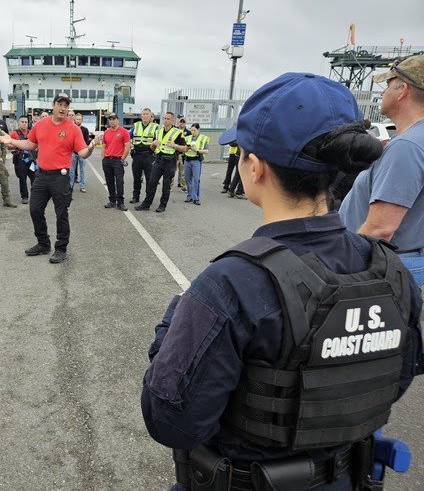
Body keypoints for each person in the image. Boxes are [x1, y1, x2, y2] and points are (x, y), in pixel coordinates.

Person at [141, 73, 423, 491]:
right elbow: (395, 380)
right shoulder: (390, 270)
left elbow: (172, 421)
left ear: (255, 167)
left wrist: (174, 323)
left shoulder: (232, 283)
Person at [340, 55, 424, 287]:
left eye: (387, 85)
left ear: (402, 90)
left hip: (383, 264)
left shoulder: (407, 146)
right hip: (404, 259)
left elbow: (381, 228)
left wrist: (341, 266)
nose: (381, 92)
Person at [0, 93, 98, 264]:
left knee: (61, 214)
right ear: (53, 105)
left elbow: (82, 153)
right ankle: (43, 243)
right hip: (42, 176)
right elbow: (30, 144)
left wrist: (89, 148)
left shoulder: (73, 129)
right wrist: (13, 142)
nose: (63, 108)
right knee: (35, 210)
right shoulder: (41, 124)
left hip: (61, 177)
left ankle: (61, 249)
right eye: (60, 104)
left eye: (66, 105)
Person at [135, 112, 187, 213]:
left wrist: (175, 145)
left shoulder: (178, 132)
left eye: (168, 119)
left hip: (170, 161)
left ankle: (162, 205)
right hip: (158, 160)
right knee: (151, 183)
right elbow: (152, 148)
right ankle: (146, 204)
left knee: (166, 185)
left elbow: (184, 148)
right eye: (165, 118)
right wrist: (153, 144)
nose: (166, 121)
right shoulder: (158, 131)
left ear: (172, 121)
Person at [129, 108, 160, 204]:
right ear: (141, 116)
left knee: (149, 178)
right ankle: (135, 196)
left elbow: (159, 141)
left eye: (147, 114)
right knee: (136, 177)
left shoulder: (156, 127)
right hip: (137, 155)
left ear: (151, 116)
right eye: (143, 114)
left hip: (149, 155)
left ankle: (148, 198)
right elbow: (128, 137)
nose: (145, 116)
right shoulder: (136, 125)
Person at [101, 113, 131, 211]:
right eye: (110, 119)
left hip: (117, 160)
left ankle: (120, 202)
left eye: (114, 119)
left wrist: (122, 158)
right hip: (107, 160)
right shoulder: (106, 132)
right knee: (109, 182)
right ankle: (112, 201)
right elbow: (104, 146)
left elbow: (127, 146)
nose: (112, 121)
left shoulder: (123, 132)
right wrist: (103, 158)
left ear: (117, 120)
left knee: (119, 182)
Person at [10, 115, 36, 204]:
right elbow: (8, 145)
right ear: (19, 122)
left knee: (34, 178)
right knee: (22, 179)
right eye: (22, 122)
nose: (24, 124)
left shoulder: (31, 132)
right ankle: (24, 196)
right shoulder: (14, 134)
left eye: (26, 122)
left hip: (31, 159)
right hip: (20, 160)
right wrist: (19, 145)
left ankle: (35, 196)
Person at [183, 123, 209, 205]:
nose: (193, 132)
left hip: (196, 160)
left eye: (194, 130)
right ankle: (189, 195)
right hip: (187, 160)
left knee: (196, 179)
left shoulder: (203, 138)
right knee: (187, 179)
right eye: (191, 130)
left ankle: (196, 198)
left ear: (198, 130)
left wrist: (196, 150)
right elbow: (183, 149)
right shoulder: (187, 138)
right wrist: (186, 148)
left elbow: (206, 151)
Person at [70, 113, 91, 193]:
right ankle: (71, 185)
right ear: (74, 120)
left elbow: (86, 142)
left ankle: (82, 186)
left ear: (82, 120)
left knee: (82, 170)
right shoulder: (71, 129)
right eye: (77, 119)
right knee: (72, 170)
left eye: (80, 119)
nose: (78, 120)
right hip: (73, 153)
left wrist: (82, 151)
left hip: (82, 153)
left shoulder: (85, 130)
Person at [175, 117, 191, 191]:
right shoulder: (175, 130)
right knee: (172, 171)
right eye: (180, 121)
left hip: (183, 154)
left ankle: (183, 186)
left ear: (185, 123)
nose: (182, 123)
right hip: (175, 153)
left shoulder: (188, 132)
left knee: (183, 172)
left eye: (183, 122)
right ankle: (169, 186)